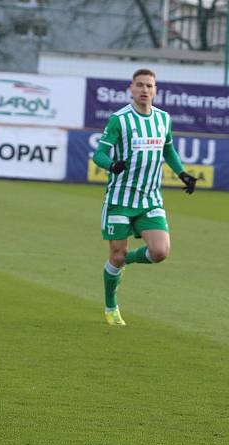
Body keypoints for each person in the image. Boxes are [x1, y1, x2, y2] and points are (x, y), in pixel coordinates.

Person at [92, 68, 197, 326]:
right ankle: (110, 306)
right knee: (116, 254)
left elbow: (168, 149)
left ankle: (121, 260)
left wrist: (183, 173)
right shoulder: (120, 120)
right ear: (131, 88)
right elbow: (99, 155)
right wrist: (112, 165)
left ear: (156, 90)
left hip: (150, 198)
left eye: (149, 86)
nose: (144, 90)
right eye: (139, 85)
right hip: (120, 199)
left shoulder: (163, 119)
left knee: (160, 251)